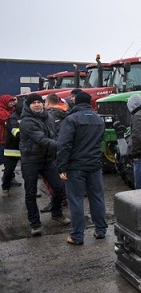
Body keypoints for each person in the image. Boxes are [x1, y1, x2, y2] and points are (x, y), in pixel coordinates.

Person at [56, 91, 107, 245]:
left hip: (75, 166)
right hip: (94, 165)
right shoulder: (99, 119)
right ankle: (100, 230)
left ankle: (77, 236)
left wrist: (61, 167)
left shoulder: (71, 119)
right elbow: (100, 141)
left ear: (76, 102)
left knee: (76, 200)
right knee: (97, 197)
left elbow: (64, 145)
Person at [20, 93, 70, 236]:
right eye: (33, 103)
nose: (37, 104)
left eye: (38, 102)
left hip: (47, 159)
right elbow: (41, 140)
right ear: (28, 106)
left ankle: (57, 213)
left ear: (43, 104)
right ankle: (35, 224)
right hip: (30, 160)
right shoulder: (26, 121)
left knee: (59, 187)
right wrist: (62, 146)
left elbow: (54, 135)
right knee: (30, 192)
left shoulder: (48, 116)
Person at [40, 93, 69, 212]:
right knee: (63, 175)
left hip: (53, 150)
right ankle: (64, 196)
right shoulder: (66, 113)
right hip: (65, 149)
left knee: (51, 178)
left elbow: (50, 134)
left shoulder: (48, 116)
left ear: (47, 103)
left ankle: (56, 200)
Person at [2, 96, 22, 197]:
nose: (11, 103)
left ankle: (32, 191)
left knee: (30, 172)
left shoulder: (28, 116)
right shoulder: (12, 117)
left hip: (24, 148)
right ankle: (5, 188)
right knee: (9, 170)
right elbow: (15, 131)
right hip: (12, 148)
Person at [0, 95, 18, 167]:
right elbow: (8, 119)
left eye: (12, 101)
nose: (11, 103)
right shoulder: (1, 110)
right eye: (9, 101)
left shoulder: (11, 110)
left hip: (8, 138)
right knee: (2, 157)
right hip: (2, 139)